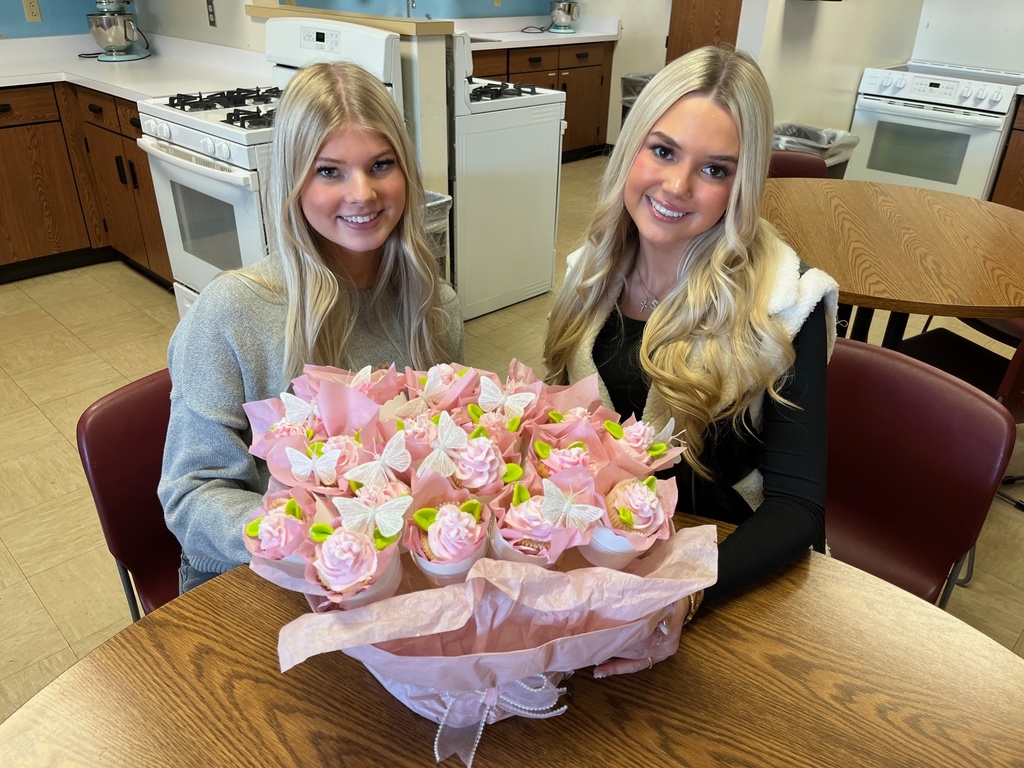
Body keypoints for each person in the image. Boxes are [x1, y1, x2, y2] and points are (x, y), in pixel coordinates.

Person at [544, 46, 838, 668]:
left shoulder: (784, 304)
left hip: (726, 582)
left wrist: (685, 596)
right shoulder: (586, 275)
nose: (676, 187)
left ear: (744, 183)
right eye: (664, 150)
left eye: (715, 170)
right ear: (631, 150)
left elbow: (798, 509)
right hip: (601, 568)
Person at [159, 62, 464, 593]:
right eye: (330, 171)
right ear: (293, 182)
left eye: (381, 164)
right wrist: (314, 547)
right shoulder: (233, 314)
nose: (362, 193)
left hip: (386, 576)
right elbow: (192, 494)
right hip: (253, 579)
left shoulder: (434, 307)